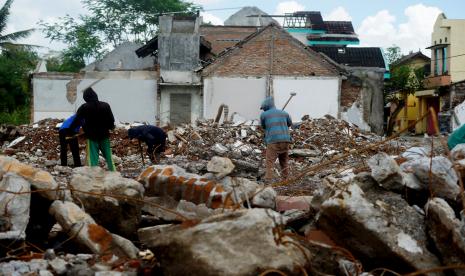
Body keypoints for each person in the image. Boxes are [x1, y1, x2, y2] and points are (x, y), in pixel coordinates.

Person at [71, 87, 116, 171]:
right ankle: (114, 173)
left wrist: (72, 130)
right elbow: (111, 120)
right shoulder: (105, 105)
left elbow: (77, 121)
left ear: (86, 97)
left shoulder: (84, 107)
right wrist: (111, 127)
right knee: (109, 157)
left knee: (93, 159)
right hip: (104, 135)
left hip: (91, 137)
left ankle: (94, 176)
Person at [260, 96, 292, 182]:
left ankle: (268, 180)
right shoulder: (284, 113)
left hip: (273, 141)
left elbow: (263, 126)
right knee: (283, 161)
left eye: (263, 108)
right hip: (285, 140)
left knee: (270, 161)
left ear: (266, 106)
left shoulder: (264, 115)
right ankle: (285, 179)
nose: (263, 110)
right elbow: (289, 123)